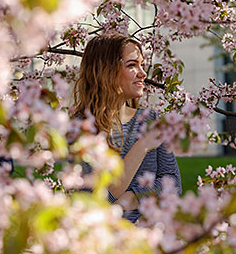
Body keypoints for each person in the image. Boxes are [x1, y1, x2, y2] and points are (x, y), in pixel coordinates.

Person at [73, 34, 182, 223]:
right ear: (106, 71)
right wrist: (142, 146)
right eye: (132, 65)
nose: (143, 73)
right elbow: (100, 198)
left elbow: (173, 184)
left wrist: (132, 198)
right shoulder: (80, 128)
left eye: (141, 64)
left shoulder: (151, 120)